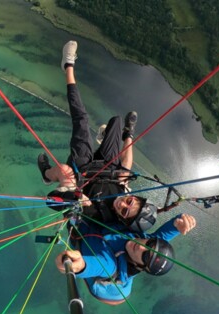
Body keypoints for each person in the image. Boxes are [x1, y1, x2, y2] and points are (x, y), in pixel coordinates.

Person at [37, 40, 158, 232]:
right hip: (106, 167)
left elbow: (52, 200)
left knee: (81, 120)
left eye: (125, 212)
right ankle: (126, 133)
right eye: (129, 201)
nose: (123, 204)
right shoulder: (123, 190)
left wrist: (76, 198)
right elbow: (125, 167)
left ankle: (68, 66)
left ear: (122, 220)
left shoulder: (98, 214)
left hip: (82, 168)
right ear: (133, 197)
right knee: (117, 122)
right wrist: (129, 136)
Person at [55, 213, 196, 305]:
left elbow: (95, 265)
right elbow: (164, 236)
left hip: (83, 230)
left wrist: (78, 265)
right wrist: (179, 224)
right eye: (150, 245)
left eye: (145, 256)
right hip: (98, 224)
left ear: (140, 266)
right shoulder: (145, 241)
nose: (141, 247)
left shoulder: (111, 265)